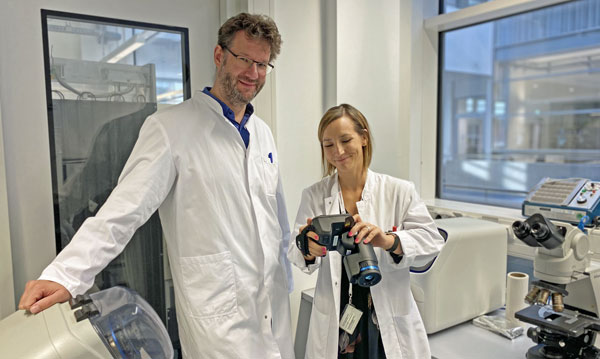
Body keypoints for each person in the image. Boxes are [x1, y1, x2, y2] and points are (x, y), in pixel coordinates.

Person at [19, 13, 295, 358]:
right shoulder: (170, 128)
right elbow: (123, 211)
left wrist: (295, 261)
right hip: (221, 325)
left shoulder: (263, 133)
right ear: (219, 55)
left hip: (273, 312)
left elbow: (277, 220)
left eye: (262, 64)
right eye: (243, 59)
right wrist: (65, 275)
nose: (253, 73)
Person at [288, 104, 445, 359]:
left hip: (386, 316)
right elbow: (293, 249)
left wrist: (389, 241)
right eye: (328, 145)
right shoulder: (314, 195)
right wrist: (308, 248)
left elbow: (431, 242)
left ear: (364, 138)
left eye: (345, 140)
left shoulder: (399, 191)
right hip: (337, 314)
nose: (338, 151)